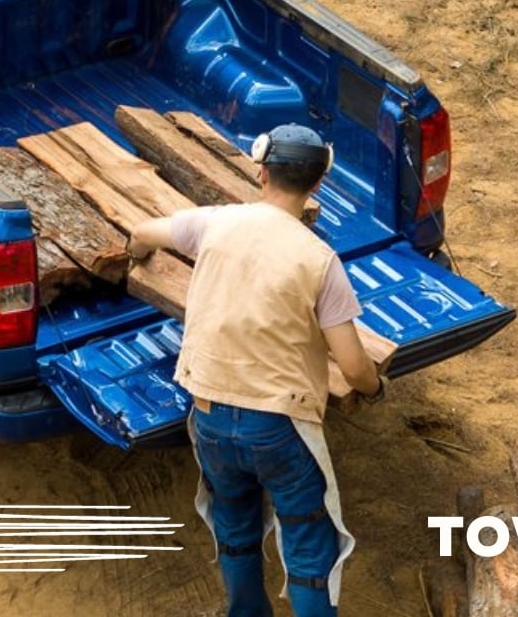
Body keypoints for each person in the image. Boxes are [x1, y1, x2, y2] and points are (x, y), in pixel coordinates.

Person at [126, 123, 383, 617]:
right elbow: (352, 366)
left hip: (210, 416)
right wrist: (374, 388)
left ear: (262, 173)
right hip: (280, 426)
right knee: (308, 540)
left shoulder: (214, 224)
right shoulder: (320, 261)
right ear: (317, 184)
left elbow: (142, 234)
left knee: (235, 522)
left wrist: (134, 258)